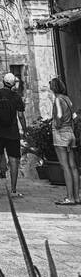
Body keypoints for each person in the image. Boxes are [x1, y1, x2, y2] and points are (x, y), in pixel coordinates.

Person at [0, 73, 27, 198]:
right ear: (13, 84)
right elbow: (20, 116)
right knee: (14, 159)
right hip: (12, 132)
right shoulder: (16, 97)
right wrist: (25, 130)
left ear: (3, 82)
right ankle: (13, 190)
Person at [47, 77, 80, 206]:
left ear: (53, 88)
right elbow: (74, 117)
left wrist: (57, 125)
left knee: (65, 166)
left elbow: (59, 116)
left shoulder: (57, 100)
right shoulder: (68, 99)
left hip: (61, 134)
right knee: (73, 166)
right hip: (71, 134)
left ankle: (69, 197)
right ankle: (77, 196)